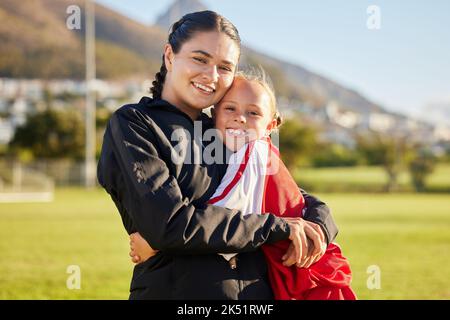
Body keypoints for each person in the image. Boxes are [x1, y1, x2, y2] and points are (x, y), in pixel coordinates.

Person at [97, 10, 338, 300]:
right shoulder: (135, 124)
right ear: (170, 56)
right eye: (200, 59)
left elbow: (292, 198)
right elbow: (171, 226)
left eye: (225, 67)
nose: (211, 76)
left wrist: (320, 227)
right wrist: (278, 227)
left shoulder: (228, 129)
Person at [130, 70, 356, 300]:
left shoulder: (252, 154)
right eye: (230, 109)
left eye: (253, 112)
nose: (240, 118)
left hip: (307, 270)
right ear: (214, 113)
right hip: (299, 267)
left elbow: (224, 213)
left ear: (271, 125)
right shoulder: (242, 154)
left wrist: (158, 240)